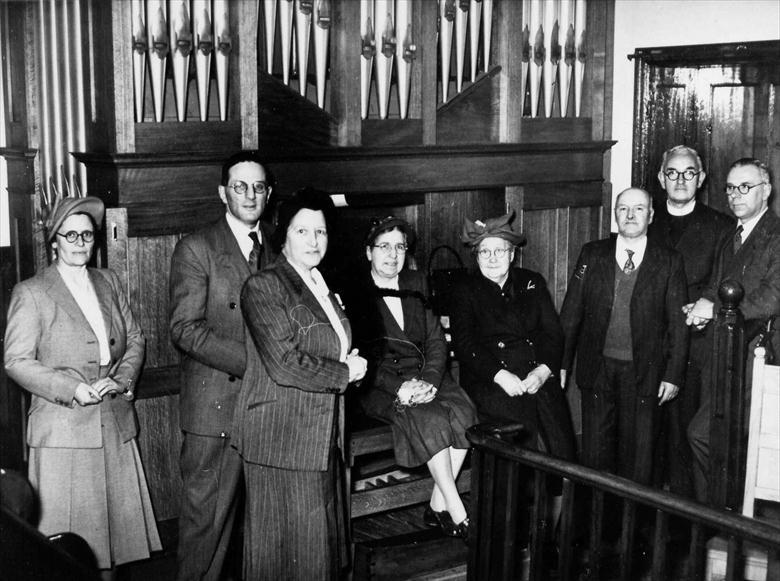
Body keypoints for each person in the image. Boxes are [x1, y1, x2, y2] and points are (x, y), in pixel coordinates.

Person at [4, 196, 161, 578]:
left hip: (114, 426)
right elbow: (16, 361)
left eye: (87, 235)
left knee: (113, 547)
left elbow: (135, 338)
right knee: (67, 555)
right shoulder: (32, 292)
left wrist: (121, 381)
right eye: (70, 235)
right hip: (64, 433)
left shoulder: (109, 281)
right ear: (54, 240)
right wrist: (72, 388)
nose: (79, 242)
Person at [233, 188, 367, 580]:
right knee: (285, 557)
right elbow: (283, 364)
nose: (313, 241)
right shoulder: (265, 285)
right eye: (302, 231)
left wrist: (348, 362)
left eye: (320, 232)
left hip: (319, 435)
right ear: (283, 236)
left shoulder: (319, 282)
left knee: (315, 555)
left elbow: (329, 344)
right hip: (282, 438)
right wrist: (345, 373)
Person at [168, 151, 275, 580]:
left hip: (268, 407)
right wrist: (259, 363)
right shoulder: (197, 248)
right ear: (222, 192)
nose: (250, 195)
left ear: (269, 193)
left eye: (258, 187)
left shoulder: (279, 245)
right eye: (239, 186)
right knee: (206, 529)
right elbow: (185, 329)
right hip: (216, 408)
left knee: (265, 526)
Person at [340, 216, 478, 540]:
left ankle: (437, 504)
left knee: (465, 413)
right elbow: (363, 356)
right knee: (431, 419)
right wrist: (401, 386)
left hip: (425, 375)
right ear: (369, 252)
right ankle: (457, 510)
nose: (393, 255)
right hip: (380, 384)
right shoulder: (355, 292)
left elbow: (435, 340)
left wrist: (429, 380)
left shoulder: (417, 282)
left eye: (399, 247)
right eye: (384, 247)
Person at [559, 188, 688, 484]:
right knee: (595, 457)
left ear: (651, 216)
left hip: (644, 373)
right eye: (623, 209)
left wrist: (673, 374)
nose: (630, 215)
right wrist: (561, 362)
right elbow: (571, 313)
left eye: (639, 209)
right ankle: (598, 513)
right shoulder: (592, 253)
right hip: (597, 369)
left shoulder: (669, 260)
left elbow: (678, 325)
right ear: (615, 214)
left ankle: (634, 516)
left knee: (639, 460)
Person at [684, 157, 780, 502]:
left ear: (766, 190)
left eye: (745, 187)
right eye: (730, 188)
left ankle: (725, 515)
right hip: (725, 354)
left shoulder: (775, 236)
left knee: (706, 437)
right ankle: (715, 517)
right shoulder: (732, 235)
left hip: (758, 357)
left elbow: (772, 298)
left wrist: (717, 310)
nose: (735, 195)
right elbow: (716, 287)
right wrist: (699, 309)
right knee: (712, 440)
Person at [449, 212, 576, 462]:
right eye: (485, 252)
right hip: (492, 380)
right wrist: (500, 375)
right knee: (515, 457)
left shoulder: (531, 281)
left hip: (536, 375)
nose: (492, 258)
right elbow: (465, 344)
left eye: (499, 251)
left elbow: (553, 333)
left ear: (512, 254)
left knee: (562, 452)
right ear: (476, 256)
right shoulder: (464, 289)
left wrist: (543, 371)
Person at [649, 145, 732, 495]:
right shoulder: (646, 217)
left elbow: (725, 282)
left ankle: (685, 516)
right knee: (648, 436)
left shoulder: (721, 226)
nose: (680, 180)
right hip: (651, 339)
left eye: (689, 173)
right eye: (672, 172)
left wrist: (703, 305)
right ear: (661, 178)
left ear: (701, 178)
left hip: (696, 342)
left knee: (684, 434)